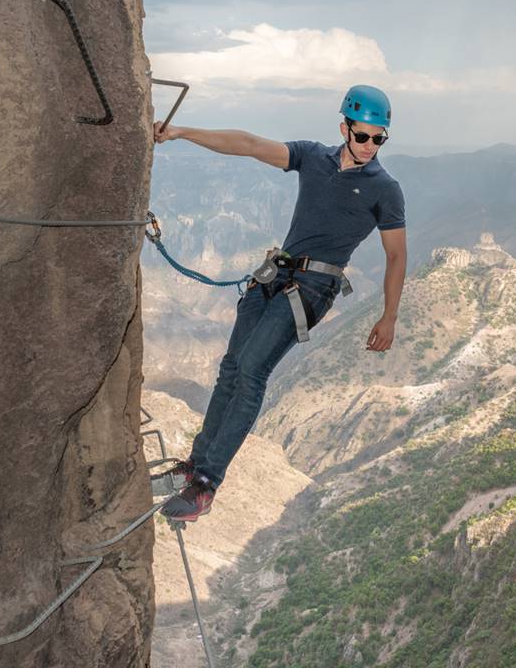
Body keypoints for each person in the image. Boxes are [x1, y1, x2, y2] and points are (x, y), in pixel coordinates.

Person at [151, 85, 407, 522]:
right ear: (344, 127)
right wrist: (180, 132)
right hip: (275, 273)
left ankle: (206, 484)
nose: (369, 146)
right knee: (231, 368)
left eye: (378, 138)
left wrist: (389, 316)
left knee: (251, 372)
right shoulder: (312, 157)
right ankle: (195, 463)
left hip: (313, 288)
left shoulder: (385, 188)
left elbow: (397, 255)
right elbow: (250, 145)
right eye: (362, 136)